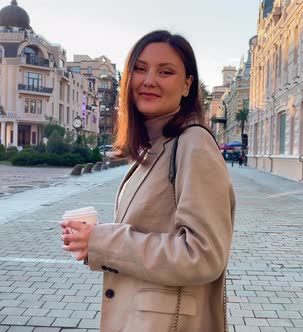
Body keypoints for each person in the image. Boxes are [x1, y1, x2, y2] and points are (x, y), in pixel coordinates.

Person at [60, 30, 236, 332]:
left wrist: (103, 241)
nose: (148, 80)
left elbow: (203, 255)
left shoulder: (193, 144)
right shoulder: (158, 144)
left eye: (165, 72)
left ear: (186, 85)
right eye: (139, 69)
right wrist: (93, 243)